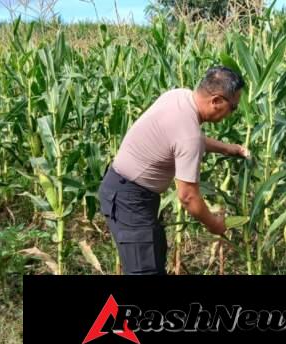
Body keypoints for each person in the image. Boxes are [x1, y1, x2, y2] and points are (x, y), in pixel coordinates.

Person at [99, 66, 249, 275]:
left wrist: (227, 148)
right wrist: (213, 224)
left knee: (154, 260)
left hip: (127, 191)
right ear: (216, 101)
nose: (232, 113)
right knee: (145, 272)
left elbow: (181, 138)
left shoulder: (179, 96)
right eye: (233, 107)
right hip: (129, 198)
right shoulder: (188, 135)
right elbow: (188, 197)